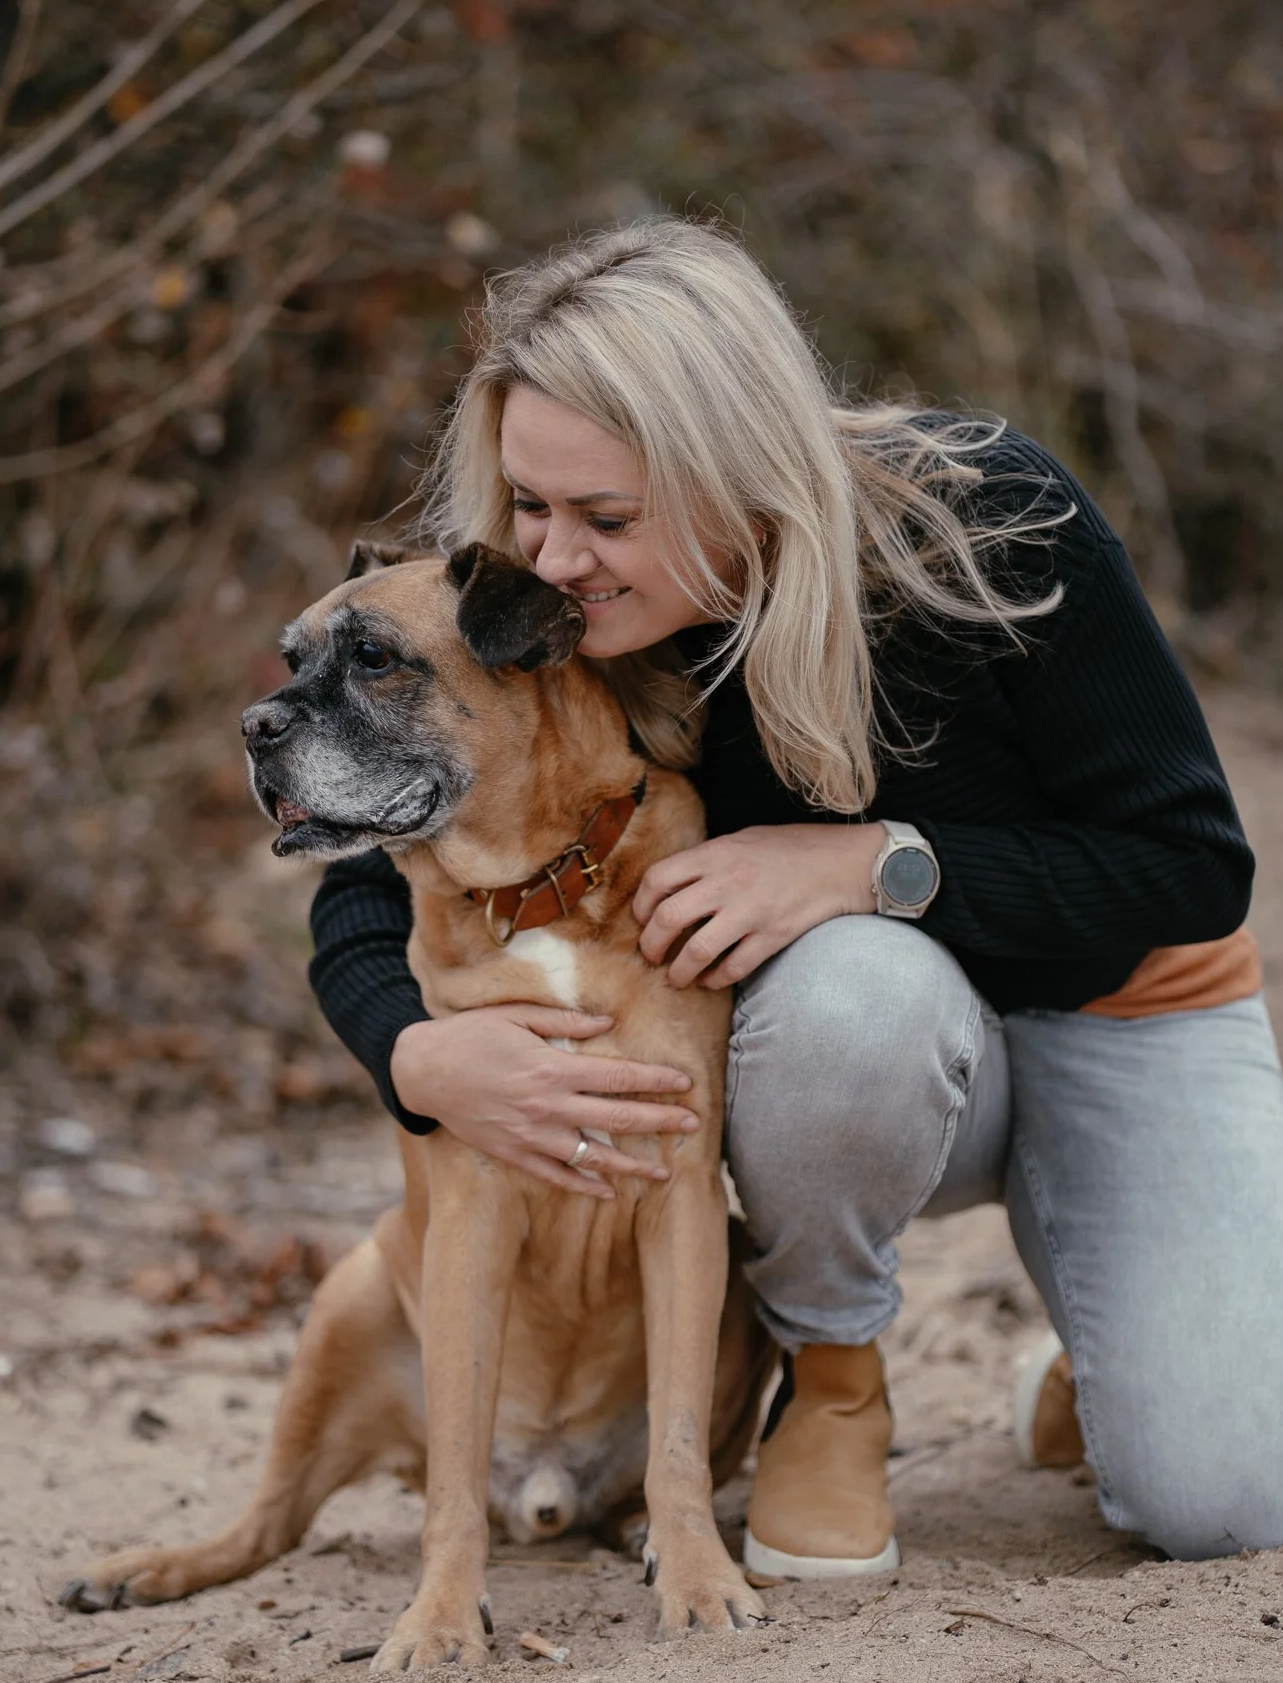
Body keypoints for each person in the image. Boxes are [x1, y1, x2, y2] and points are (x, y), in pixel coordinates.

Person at [307, 217, 1283, 1572]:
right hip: (847, 1061)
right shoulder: (538, 612)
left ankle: (1115, 1355)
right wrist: (415, 1053)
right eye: (530, 505)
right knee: (852, 991)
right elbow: (382, 859)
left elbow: (1192, 865)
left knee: (1226, 1503)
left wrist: (873, 860)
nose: (558, 557)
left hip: (1122, 1010)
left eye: (607, 518)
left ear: (740, 470)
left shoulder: (989, 518)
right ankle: (834, 1381)